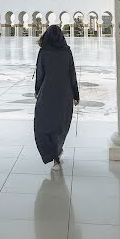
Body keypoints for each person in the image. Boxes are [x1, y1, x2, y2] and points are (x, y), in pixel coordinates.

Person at [34, 25, 79, 171]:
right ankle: (57, 152)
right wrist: (76, 94)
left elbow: (40, 73)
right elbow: (72, 73)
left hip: (47, 93)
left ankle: (55, 156)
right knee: (60, 124)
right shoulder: (66, 51)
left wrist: (37, 90)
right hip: (64, 93)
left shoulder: (44, 52)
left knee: (46, 124)